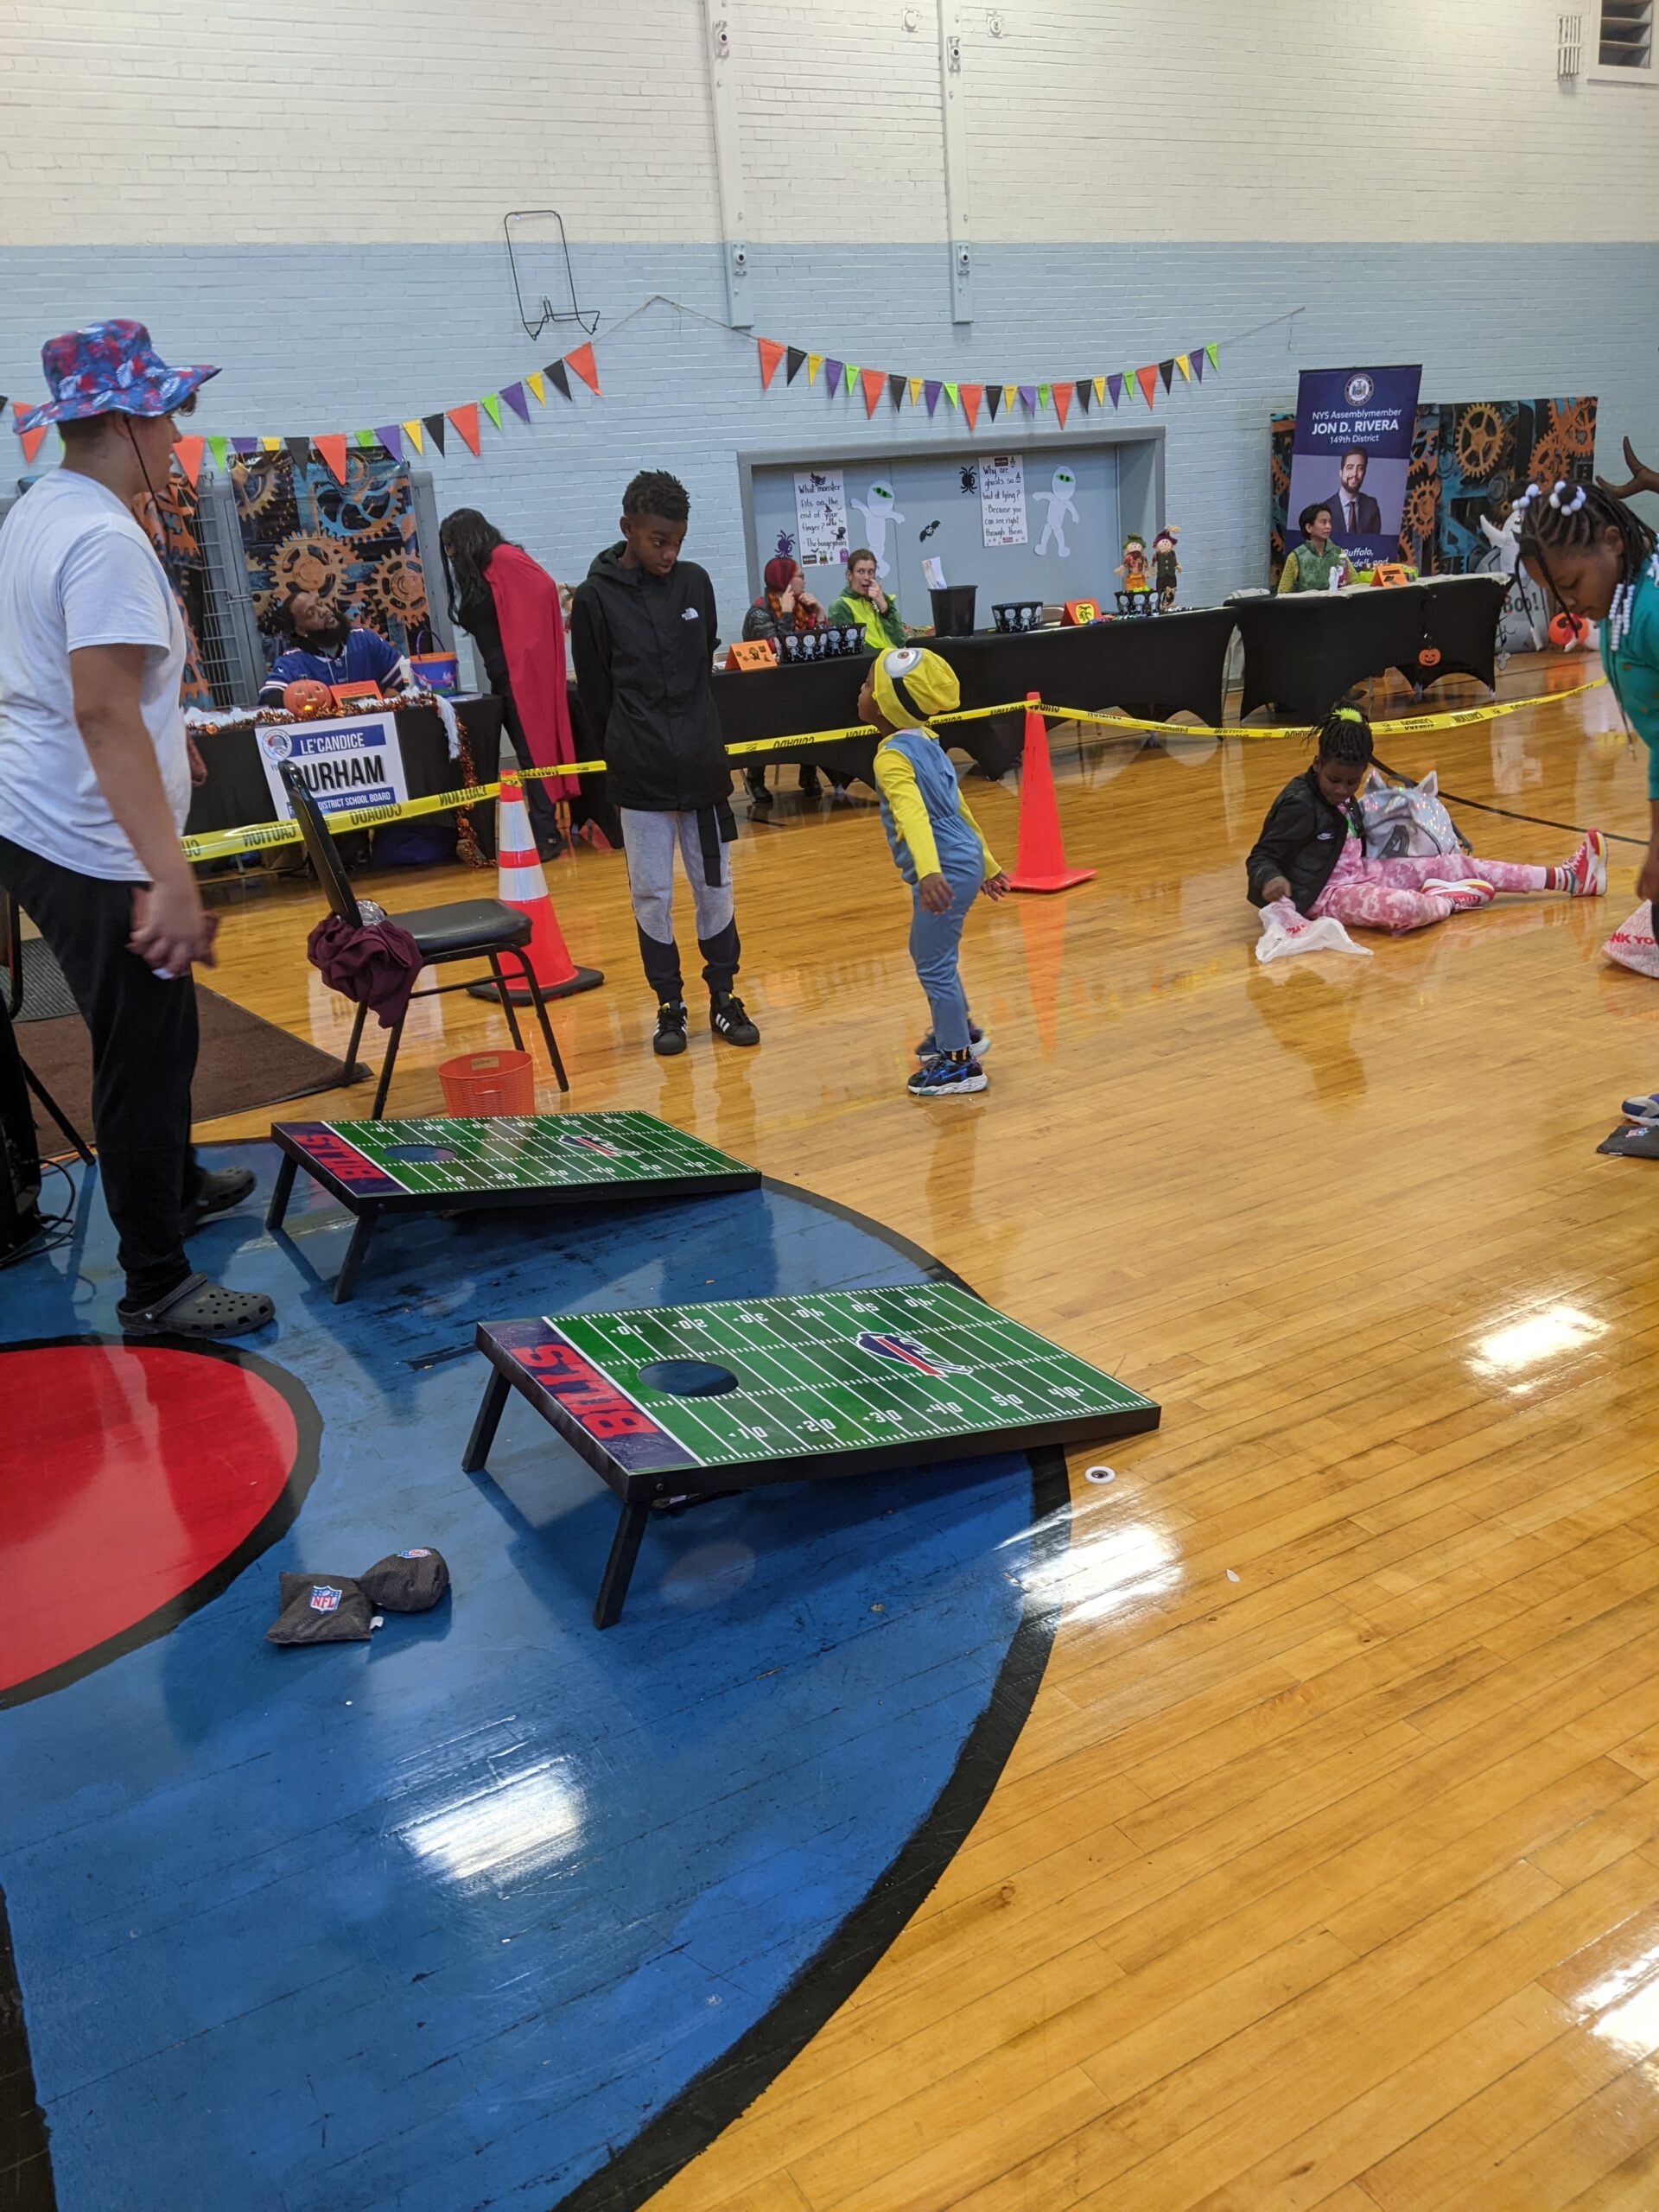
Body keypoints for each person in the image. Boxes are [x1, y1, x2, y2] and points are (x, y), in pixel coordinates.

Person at [0, 320, 272, 1338]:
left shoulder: (44, 508)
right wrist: (168, 875)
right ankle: (157, 1282)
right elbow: (103, 709)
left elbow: (78, 683)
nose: (178, 438)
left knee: (162, 1025)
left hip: (38, 812)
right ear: (120, 418)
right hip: (84, 832)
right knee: (144, 1048)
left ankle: (179, 1179)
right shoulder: (105, 535)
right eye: (168, 416)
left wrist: (174, 743)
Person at [569, 469, 760, 1057]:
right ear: (628, 528)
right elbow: (596, 694)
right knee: (650, 892)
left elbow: (701, 664)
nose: (669, 553)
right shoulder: (596, 599)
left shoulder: (695, 585)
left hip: (701, 767)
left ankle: (723, 996)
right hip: (639, 773)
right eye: (658, 540)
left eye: (677, 541)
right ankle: (668, 1003)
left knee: (714, 886)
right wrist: (631, 743)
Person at [1513, 472, 1659, 1126]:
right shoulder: (1626, 606)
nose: (1570, 607)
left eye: (1572, 587)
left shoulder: (1652, 608)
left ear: (1611, 541)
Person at [1246, 697, 1605, 934]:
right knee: (1402, 907)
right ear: (1316, 764)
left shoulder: (1343, 792)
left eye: (1351, 782)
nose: (1342, 789)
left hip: (1364, 874)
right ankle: (1451, 900)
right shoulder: (1298, 803)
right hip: (1327, 895)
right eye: (1333, 780)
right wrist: (1271, 880)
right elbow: (1261, 855)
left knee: (1452, 863)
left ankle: (1568, 878)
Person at [858, 645, 1008, 1100]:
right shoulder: (926, 738)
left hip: (942, 867)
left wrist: (928, 872)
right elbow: (958, 806)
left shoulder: (891, 756)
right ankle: (959, 1028)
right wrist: (987, 864)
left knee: (932, 961)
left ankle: (960, 1062)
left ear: (886, 703)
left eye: (868, 686)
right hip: (960, 858)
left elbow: (914, 815)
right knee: (932, 953)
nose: (860, 692)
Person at [439, 508, 574, 860]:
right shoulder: (484, 569)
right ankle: (536, 830)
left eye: (452, 544)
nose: (449, 554)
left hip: (519, 672)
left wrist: (528, 653)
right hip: (503, 673)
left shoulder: (504, 558)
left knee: (532, 753)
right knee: (526, 752)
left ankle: (546, 835)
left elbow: (543, 590)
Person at [741, 556, 830, 809]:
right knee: (765, 717)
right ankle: (755, 778)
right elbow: (778, 650)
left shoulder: (804, 606)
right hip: (764, 690)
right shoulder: (759, 613)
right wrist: (787, 615)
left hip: (797, 687)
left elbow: (818, 647)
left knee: (814, 706)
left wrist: (820, 613)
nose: (803, 579)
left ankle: (808, 773)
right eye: (799, 575)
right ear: (785, 580)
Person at [258, 590, 404, 700]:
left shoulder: (363, 639)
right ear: (301, 630)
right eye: (311, 613)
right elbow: (270, 696)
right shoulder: (293, 661)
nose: (323, 611)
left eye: (320, 604)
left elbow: (406, 676)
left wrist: (392, 697)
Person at [830, 549, 906, 652]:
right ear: (849, 575)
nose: (867, 577)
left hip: (894, 656)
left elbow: (900, 641)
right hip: (872, 662)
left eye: (871, 572)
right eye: (860, 572)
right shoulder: (841, 606)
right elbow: (850, 649)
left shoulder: (880, 599)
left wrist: (885, 609)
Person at [1278, 503, 1357, 594]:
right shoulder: (1296, 557)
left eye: (1329, 522)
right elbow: (1282, 592)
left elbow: (1355, 583)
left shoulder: (1339, 553)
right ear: (1309, 527)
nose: (1328, 526)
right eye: (1323, 522)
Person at [1331, 448, 1382, 537]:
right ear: (1341, 473)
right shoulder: (1325, 509)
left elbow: (1374, 543)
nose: (1354, 473)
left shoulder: (1372, 505)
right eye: (1350, 468)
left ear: (1364, 473)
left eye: (1360, 468)